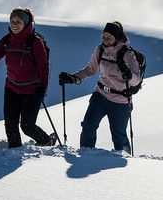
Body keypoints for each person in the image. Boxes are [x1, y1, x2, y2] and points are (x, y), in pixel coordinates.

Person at [0, 7, 54, 148]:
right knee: (10, 123)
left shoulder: (34, 42)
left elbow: (44, 66)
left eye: (18, 21)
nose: (14, 24)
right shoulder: (7, 40)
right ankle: (14, 152)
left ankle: (47, 141)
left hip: (32, 90)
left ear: (26, 23)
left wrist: (42, 87)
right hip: (11, 88)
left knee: (27, 126)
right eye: (12, 21)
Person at [58, 20, 141, 154]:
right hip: (100, 95)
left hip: (120, 100)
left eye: (109, 37)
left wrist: (129, 75)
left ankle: (125, 161)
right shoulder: (100, 49)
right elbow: (90, 69)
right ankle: (86, 154)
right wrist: (72, 78)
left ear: (117, 38)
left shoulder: (128, 54)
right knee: (88, 126)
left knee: (119, 135)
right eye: (103, 36)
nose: (105, 39)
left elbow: (137, 81)